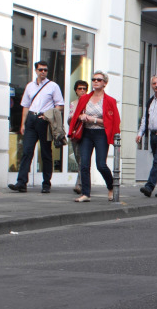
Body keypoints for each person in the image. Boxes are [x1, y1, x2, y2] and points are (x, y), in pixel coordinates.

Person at [11, 61, 64, 193]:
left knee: (46, 152)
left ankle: (46, 183)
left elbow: (60, 105)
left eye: (45, 70)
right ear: (36, 70)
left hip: (44, 120)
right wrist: (23, 123)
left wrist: (48, 115)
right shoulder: (30, 86)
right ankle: (21, 182)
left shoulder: (53, 86)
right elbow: (25, 105)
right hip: (31, 119)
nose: (43, 72)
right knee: (27, 151)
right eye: (40, 70)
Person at [75, 71, 120, 203]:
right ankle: (86, 193)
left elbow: (112, 121)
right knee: (84, 164)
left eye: (99, 80)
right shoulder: (85, 98)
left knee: (101, 164)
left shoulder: (110, 101)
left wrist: (92, 119)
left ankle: (111, 187)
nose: (95, 82)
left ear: (105, 83)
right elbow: (78, 114)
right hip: (86, 133)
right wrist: (81, 117)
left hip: (101, 133)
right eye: (94, 79)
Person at [69, 80, 88, 194]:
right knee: (78, 158)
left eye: (84, 89)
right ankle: (84, 182)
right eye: (80, 88)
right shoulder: (73, 103)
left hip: (86, 134)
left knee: (83, 159)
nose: (82, 91)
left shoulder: (90, 102)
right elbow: (69, 119)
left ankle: (79, 184)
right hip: (76, 134)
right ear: (76, 91)